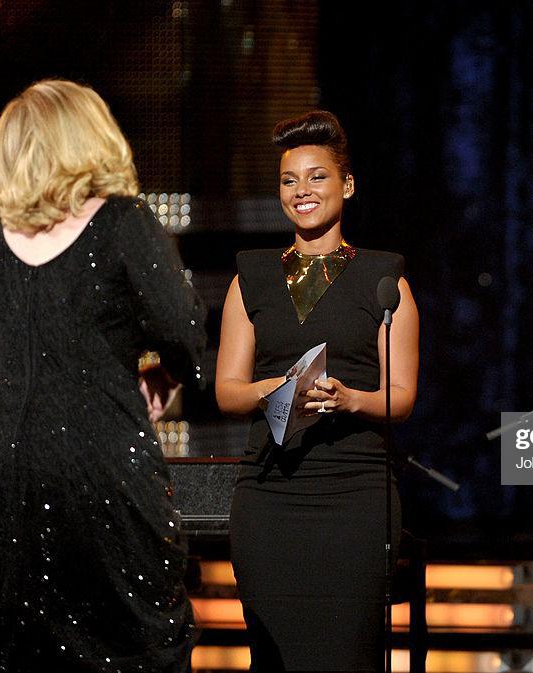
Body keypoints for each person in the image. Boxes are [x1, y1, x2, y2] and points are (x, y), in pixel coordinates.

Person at [0, 79, 205, 672]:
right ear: (91, 138)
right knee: (127, 645)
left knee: (9, 651)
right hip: (99, 467)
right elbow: (182, 326)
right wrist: (169, 376)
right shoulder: (122, 223)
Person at [215, 110, 419, 671]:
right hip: (269, 497)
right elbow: (227, 392)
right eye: (289, 180)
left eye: (317, 176)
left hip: (354, 496)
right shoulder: (250, 279)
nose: (302, 191)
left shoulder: (384, 280)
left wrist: (351, 398)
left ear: (347, 186)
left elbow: (401, 396)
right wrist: (274, 389)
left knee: (347, 656)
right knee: (273, 657)